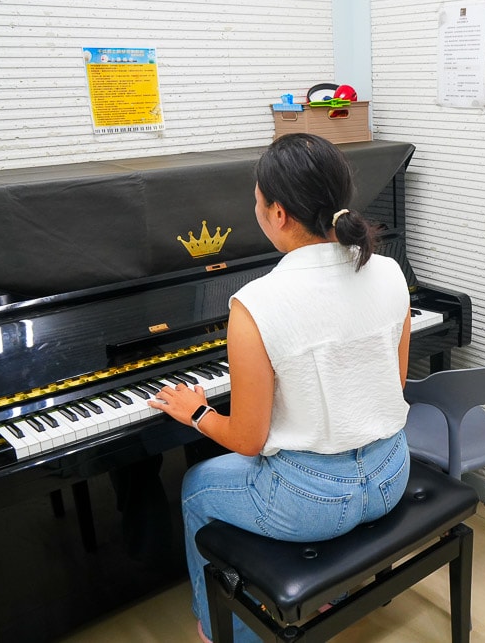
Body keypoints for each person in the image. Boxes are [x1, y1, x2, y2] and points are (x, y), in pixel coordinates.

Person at [147, 133, 413, 643]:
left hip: (310, 503)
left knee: (195, 488)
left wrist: (196, 413)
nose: (255, 208)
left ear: (280, 214)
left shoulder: (255, 303)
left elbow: (249, 439)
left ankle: (220, 631)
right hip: (390, 475)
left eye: (256, 201)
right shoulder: (388, 270)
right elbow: (391, 384)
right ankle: (321, 592)